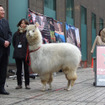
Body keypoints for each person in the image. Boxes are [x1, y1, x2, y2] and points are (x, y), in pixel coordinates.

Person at [12, 19, 30, 89]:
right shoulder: (16, 34)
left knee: (26, 70)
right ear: (19, 24)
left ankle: (27, 84)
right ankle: (19, 84)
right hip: (17, 54)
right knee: (18, 70)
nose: (23, 25)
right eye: (22, 23)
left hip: (26, 54)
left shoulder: (28, 33)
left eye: (25, 23)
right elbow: (14, 43)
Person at [0, 5, 12, 95]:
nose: (3, 12)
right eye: (1, 10)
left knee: (3, 69)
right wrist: (3, 41)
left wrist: (8, 41)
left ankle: (2, 88)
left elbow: (10, 33)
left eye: (3, 10)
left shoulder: (6, 22)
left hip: (5, 50)